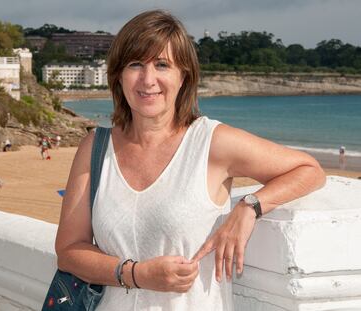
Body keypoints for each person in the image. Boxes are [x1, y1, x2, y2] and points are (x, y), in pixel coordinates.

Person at [55, 10, 325, 311]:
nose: (148, 79)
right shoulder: (95, 148)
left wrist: (250, 206)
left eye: (162, 65)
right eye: (135, 65)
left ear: (183, 76)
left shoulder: (211, 143)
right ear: (119, 76)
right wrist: (137, 273)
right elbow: (68, 250)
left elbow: (309, 170)